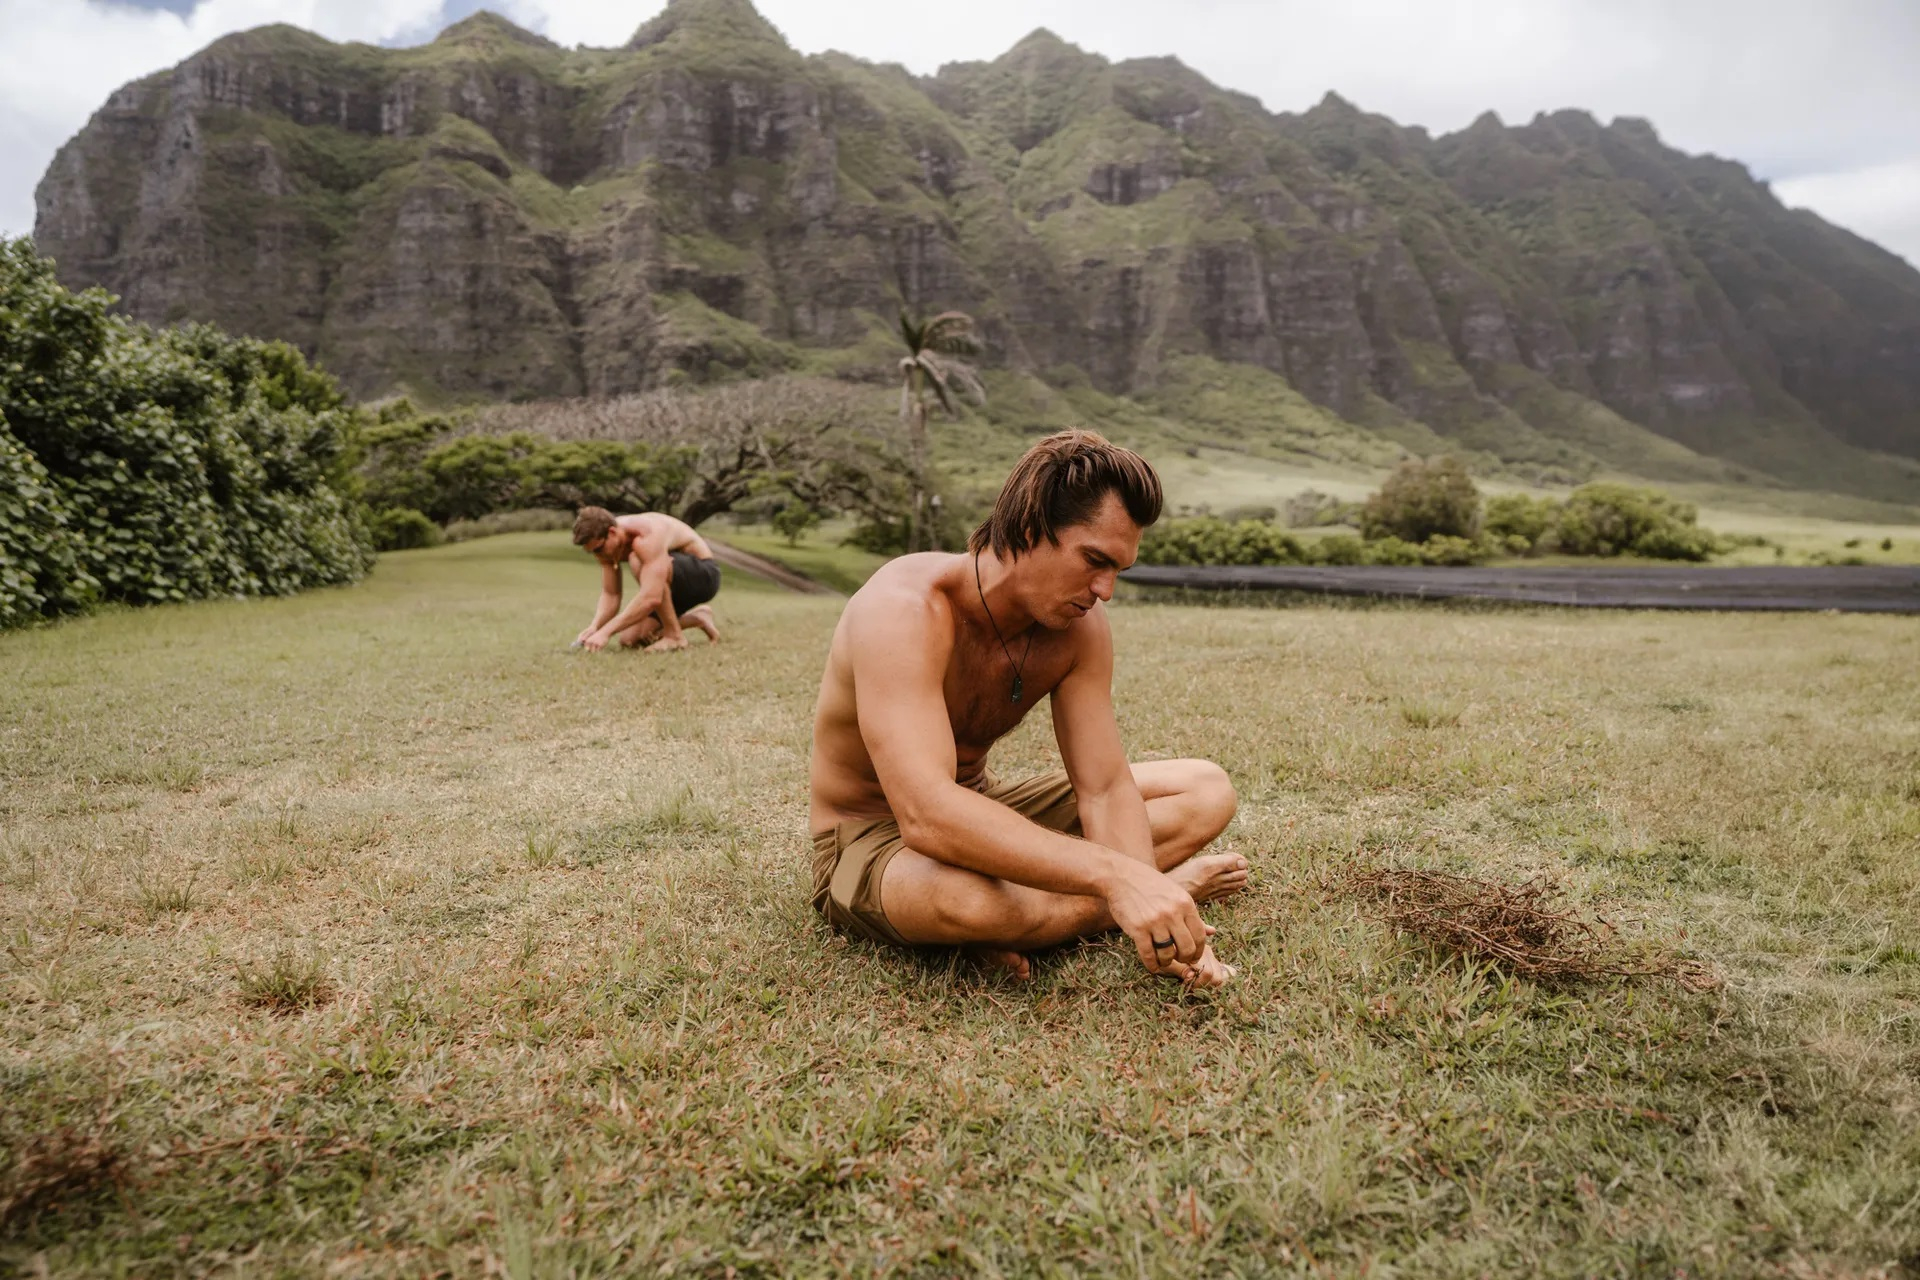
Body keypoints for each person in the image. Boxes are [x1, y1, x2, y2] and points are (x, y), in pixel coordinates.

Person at [808, 430, 1248, 987]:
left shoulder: (1079, 631)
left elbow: (1105, 788)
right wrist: (1123, 879)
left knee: (1204, 789)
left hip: (980, 807)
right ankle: (1155, 889)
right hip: (872, 839)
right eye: (1094, 560)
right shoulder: (903, 609)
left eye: (1119, 570)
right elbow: (925, 814)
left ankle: (1053, 916)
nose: (1105, 590)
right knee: (966, 901)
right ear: (1029, 526)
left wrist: (1140, 885)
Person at [571, 507, 723, 652]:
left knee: (636, 559)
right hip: (669, 586)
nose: (598, 556)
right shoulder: (607, 543)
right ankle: (698, 618)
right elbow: (612, 594)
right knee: (631, 640)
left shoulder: (646, 536)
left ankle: (674, 636)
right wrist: (595, 627)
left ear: (612, 532)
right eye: (592, 553)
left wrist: (606, 632)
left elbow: (651, 597)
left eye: (598, 549)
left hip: (704, 576)